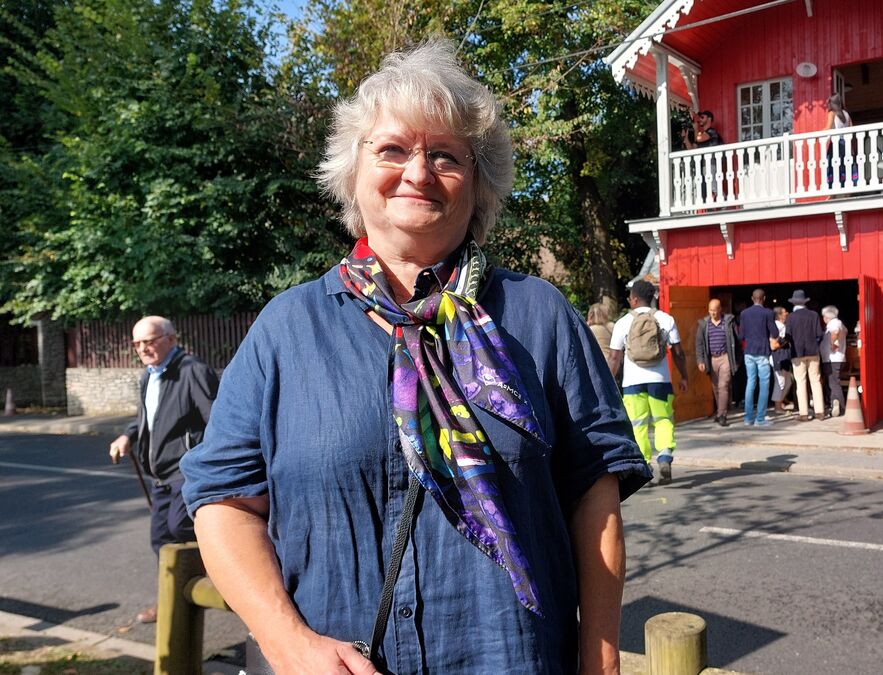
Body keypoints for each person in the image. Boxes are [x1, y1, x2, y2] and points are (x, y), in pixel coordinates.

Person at [180, 41, 650, 674]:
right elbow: (223, 502)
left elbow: (594, 497)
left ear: (479, 183)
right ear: (352, 173)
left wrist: (600, 659)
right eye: (392, 149)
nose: (418, 172)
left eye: (446, 155)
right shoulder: (285, 330)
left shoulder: (540, 316)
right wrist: (289, 645)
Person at [107, 315, 218, 624]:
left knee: (180, 527)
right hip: (160, 475)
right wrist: (128, 435)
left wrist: (206, 464)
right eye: (138, 343)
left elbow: (218, 421)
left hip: (187, 470)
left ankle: (221, 576)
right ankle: (170, 598)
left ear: (171, 338)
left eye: (150, 341)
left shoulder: (192, 371)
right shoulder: (149, 376)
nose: (143, 348)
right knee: (160, 539)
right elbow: (147, 418)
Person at [608, 279, 688, 485]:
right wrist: (684, 376)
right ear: (653, 297)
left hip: (633, 382)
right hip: (660, 380)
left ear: (634, 299)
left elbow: (615, 357)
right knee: (663, 419)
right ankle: (664, 457)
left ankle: (644, 464)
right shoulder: (666, 319)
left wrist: (608, 384)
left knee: (638, 424)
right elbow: (678, 353)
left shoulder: (623, 322)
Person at [694, 298, 739, 427]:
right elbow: (699, 344)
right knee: (715, 387)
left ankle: (722, 415)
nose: (713, 313)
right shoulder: (704, 324)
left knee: (723, 385)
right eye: (710, 310)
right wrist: (700, 360)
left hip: (725, 357)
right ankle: (720, 411)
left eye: (715, 310)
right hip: (711, 359)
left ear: (720, 309)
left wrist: (737, 360)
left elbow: (736, 341)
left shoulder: (728, 322)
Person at [738, 289, 778, 426]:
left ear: (752, 298)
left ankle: (748, 418)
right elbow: (775, 332)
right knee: (764, 385)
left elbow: (741, 335)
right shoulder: (768, 313)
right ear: (764, 298)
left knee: (750, 383)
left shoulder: (744, 313)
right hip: (762, 351)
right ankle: (760, 419)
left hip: (748, 351)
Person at [784, 289, 825, 421]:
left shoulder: (790, 317)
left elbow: (787, 336)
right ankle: (820, 411)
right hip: (813, 352)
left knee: (801, 382)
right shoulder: (814, 315)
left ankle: (804, 413)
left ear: (794, 303)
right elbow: (820, 334)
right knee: (816, 381)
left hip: (797, 352)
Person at [820, 305, 849, 417]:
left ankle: (839, 406)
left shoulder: (834, 323)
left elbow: (835, 332)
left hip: (833, 358)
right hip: (836, 358)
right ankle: (834, 403)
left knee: (834, 383)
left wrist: (832, 343)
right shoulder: (840, 324)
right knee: (832, 382)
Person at [824, 94, 857, 188]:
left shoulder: (832, 113)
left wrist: (815, 135)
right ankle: (848, 191)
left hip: (836, 144)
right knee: (846, 166)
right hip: (846, 144)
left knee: (833, 167)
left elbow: (828, 127)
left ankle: (832, 193)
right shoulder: (846, 114)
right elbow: (851, 129)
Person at [770, 306, 795, 415]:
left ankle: (780, 402)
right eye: (785, 312)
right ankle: (777, 406)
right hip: (778, 356)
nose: (787, 313)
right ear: (779, 315)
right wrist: (786, 340)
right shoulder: (777, 326)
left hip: (784, 356)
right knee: (780, 381)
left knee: (788, 381)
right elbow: (773, 345)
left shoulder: (783, 326)